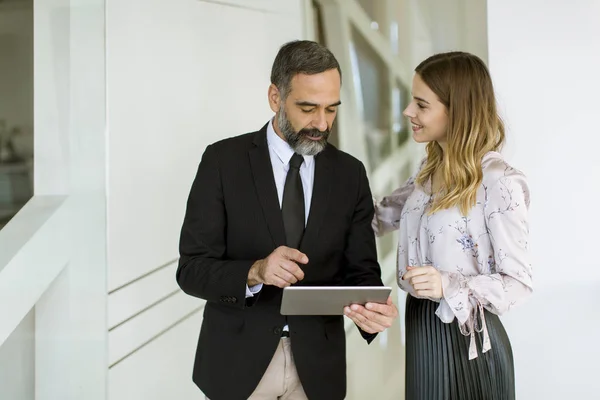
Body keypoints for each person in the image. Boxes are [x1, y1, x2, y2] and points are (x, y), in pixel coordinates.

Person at [176, 40, 399, 400]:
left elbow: (362, 271)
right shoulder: (222, 162)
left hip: (317, 370)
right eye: (308, 108)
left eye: (331, 109)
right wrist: (257, 271)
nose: (322, 123)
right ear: (275, 98)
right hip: (236, 367)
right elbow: (191, 269)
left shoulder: (350, 174)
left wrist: (372, 311)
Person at [372, 52, 533, 400]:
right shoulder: (428, 172)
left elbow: (518, 283)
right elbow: (378, 218)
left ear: (456, 110)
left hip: (469, 342)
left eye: (421, 104)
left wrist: (447, 284)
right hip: (421, 328)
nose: (408, 112)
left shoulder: (499, 182)